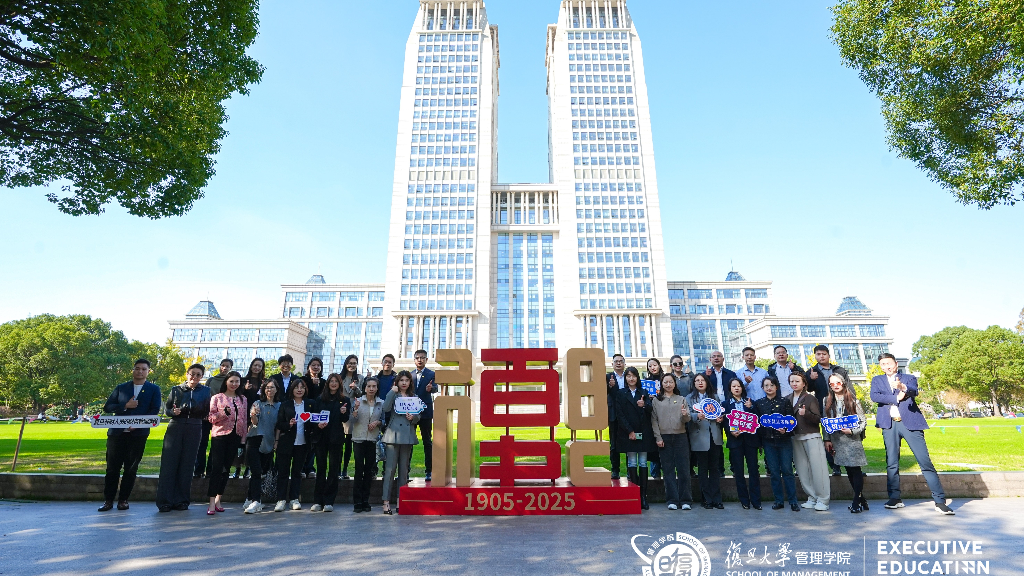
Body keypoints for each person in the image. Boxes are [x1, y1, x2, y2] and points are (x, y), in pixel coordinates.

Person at [870, 353, 953, 515]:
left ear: (895, 363)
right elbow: (875, 396)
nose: (886, 367)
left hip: (910, 423)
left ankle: (940, 501)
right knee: (892, 462)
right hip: (889, 424)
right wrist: (896, 398)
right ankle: (895, 498)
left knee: (924, 461)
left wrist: (903, 388)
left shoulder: (908, 378)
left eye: (889, 363)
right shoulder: (877, 380)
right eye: (882, 364)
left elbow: (913, 391)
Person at [98, 359, 162, 512]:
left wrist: (139, 424)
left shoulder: (154, 389)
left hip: (138, 435)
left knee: (131, 469)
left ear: (148, 372)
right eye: (137, 368)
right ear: (133, 370)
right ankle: (108, 501)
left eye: (143, 369)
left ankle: (123, 500)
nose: (140, 371)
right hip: (116, 434)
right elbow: (107, 407)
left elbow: (154, 410)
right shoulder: (121, 388)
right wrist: (125, 406)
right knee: (112, 469)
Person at [156, 363, 212, 512]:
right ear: (187, 374)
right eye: (192, 373)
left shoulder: (206, 391)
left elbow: (207, 410)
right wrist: (174, 412)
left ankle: (181, 500)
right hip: (176, 425)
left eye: (198, 374)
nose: (194, 377)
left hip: (195, 427)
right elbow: (167, 410)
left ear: (202, 377)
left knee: (187, 464)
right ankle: (164, 501)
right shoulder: (176, 389)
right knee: (169, 463)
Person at [806, 345, 856, 476]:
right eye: (818, 354)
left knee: (847, 435)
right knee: (828, 437)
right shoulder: (812, 371)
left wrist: (852, 402)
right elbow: (808, 388)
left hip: (842, 406)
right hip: (824, 408)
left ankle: (853, 466)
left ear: (828, 355)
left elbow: (849, 387)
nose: (821, 356)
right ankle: (835, 466)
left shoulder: (839, 370)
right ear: (815, 356)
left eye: (824, 354)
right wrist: (811, 379)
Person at [823, 373, 869, 514]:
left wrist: (853, 431)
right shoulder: (827, 400)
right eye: (832, 384)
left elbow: (863, 421)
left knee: (855, 470)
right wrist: (827, 439)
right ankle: (862, 500)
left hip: (852, 441)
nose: (835, 386)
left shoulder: (853, 399)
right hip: (837, 441)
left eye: (838, 383)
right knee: (848, 470)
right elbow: (825, 421)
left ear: (843, 383)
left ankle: (856, 501)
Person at [753, 376, 799, 511]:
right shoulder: (759, 403)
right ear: (762, 388)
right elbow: (757, 425)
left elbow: (792, 422)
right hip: (768, 442)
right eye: (766, 385)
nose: (769, 388)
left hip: (784, 441)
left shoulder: (784, 402)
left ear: (776, 387)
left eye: (772, 385)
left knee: (787, 470)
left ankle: (793, 501)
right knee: (773, 472)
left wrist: (786, 430)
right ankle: (778, 500)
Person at [206, 371, 248, 515]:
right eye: (232, 381)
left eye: (237, 381)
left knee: (226, 469)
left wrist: (243, 439)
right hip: (220, 435)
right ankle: (211, 502)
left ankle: (218, 499)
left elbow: (244, 420)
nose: (234, 384)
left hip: (235, 437)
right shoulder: (217, 398)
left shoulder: (242, 399)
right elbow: (211, 418)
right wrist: (224, 413)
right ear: (226, 382)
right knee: (216, 469)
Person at [309, 373, 352, 512]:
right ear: (327, 383)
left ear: (340, 384)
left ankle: (329, 501)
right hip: (321, 438)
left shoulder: (344, 400)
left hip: (336, 438)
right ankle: (317, 500)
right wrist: (318, 425)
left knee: (334, 469)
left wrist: (344, 412)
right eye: (331, 381)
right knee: (321, 469)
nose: (333, 383)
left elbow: (345, 419)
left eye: (336, 381)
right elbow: (314, 418)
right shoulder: (320, 399)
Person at [614, 366, 655, 510]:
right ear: (625, 378)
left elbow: (651, 410)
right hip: (628, 433)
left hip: (643, 432)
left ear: (638, 378)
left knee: (643, 463)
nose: (631, 379)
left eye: (634, 376)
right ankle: (635, 494)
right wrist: (629, 431)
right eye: (628, 376)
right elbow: (620, 414)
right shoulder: (620, 393)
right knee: (631, 462)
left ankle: (643, 496)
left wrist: (644, 405)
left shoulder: (643, 392)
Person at [788, 372, 830, 511]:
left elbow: (818, 418)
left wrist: (805, 414)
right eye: (792, 381)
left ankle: (823, 499)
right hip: (795, 437)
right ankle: (812, 497)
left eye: (797, 381)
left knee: (818, 469)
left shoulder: (810, 398)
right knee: (802, 470)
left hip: (811, 436)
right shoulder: (787, 398)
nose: (794, 384)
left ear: (804, 383)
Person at [381, 370, 421, 514]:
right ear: (397, 382)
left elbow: (419, 415)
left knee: (404, 471)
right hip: (393, 435)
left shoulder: (414, 397)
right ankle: (385, 502)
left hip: (408, 436)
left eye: (407, 380)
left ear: (410, 382)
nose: (404, 382)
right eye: (401, 380)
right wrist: (392, 391)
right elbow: (385, 408)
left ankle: (401, 500)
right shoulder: (394, 395)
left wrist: (413, 417)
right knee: (390, 470)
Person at [650, 372, 691, 510]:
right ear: (662, 384)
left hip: (681, 437)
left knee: (683, 469)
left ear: (675, 384)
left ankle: (685, 500)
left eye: (671, 382)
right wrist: (658, 437)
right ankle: (672, 500)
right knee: (668, 470)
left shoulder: (681, 399)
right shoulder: (656, 400)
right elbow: (654, 420)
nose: (668, 384)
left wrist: (685, 415)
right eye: (665, 382)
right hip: (664, 438)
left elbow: (687, 419)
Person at [723, 378, 762, 510]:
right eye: (733, 386)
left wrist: (751, 409)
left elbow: (757, 421)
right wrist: (730, 432)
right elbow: (724, 422)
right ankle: (744, 500)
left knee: (753, 470)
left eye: (739, 386)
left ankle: (756, 500)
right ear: (730, 389)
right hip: (735, 441)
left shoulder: (750, 402)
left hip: (750, 440)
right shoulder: (726, 404)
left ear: (742, 388)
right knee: (738, 471)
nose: (737, 388)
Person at [686, 373, 724, 509]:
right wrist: (697, 416)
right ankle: (706, 499)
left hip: (715, 437)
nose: (700, 382)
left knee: (714, 469)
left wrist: (720, 418)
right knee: (702, 469)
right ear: (694, 383)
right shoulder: (689, 398)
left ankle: (717, 498)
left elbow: (720, 412)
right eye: (697, 380)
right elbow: (687, 415)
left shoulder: (714, 397)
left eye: (703, 380)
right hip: (699, 437)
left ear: (707, 382)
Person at [274, 380, 312, 512]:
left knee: (297, 472)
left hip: (302, 443)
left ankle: (294, 499)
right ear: (292, 389)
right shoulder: (286, 405)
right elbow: (279, 424)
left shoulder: (310, 404)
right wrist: (288, 424)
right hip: (286, 443)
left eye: (302, 387)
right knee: (283, 472)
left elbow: (314, 421)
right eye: (296, 387)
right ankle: (281, 499)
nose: (299, 390)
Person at [244, 380, 280, 514]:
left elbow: (278, 427)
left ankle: (249, 498)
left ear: (277, 390)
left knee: (262, 472)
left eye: (272, 387)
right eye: (267, 388)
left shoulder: (280, 406)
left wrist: (276, 441)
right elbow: (254, 423)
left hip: (269, 442)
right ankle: (256, 501)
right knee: (256, 471)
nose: (269, 390)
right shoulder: (257, 403)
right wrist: (253, 415)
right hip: (255, 439)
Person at [350, 377, 384, 513]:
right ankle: (357, 501)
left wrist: (377, 423)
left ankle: (366, 500)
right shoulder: (357, 401)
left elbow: (384, 420)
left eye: (374, 386)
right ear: (364, 388)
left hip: (372, 439)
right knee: (359, 470)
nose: (371, 389)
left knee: (369, 471)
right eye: (369, 386)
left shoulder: (381, 403)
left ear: (377, 388)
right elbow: (352, 420)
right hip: (358, 439)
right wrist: (355, 410)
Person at [195, 359, 232, 478]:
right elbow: (205, 396)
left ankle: (210, 470)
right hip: (206, 416)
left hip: (221, 417)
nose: (224, 368)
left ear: (230, 368)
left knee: (216, 445)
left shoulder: (230, 381)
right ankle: (198, 470)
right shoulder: (211, 380)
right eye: (223, 366)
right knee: (202, 443)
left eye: (227, 366)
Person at [237, 357, 267, 479]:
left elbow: (264, 398)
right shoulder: (243, 380)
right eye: (255, 365)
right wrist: (244, 389)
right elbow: (237, 395)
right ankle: (237, 468)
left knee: (252, 443)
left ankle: (248, 468)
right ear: (251, 366)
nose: (257, 368)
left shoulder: (264, 382)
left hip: (256, 415)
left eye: (260, 366)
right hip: (243, 413)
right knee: (240, 442)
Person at [412, 349, 436, 481]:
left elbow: (436, 387)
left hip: (426, 413)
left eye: (422, 358)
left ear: (426, 360)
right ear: (414, 360)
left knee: (427, 441)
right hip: (411, 413)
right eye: (417, 357)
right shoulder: (410, 375)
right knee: (408, 441)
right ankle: (406, 470)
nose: (420, 360)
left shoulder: (431, 374)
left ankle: (429, 471)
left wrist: (431, 389)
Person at [300, 357, 326, 479]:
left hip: (317, 415)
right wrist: (311, 383)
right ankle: (302, 468)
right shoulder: (303, 380)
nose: (316, 367)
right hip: (304, 413)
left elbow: (323, 398)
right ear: (308, 367)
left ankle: (310, 468)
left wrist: (318, 385)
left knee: (314, 441)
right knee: (303, 440)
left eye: (318, 365)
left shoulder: (324, 382)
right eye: (313, 365)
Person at [339, 354, 363, 480]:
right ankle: (337, 469)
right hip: (339, 411)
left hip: (353, 413)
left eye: (354, 363)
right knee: (338, 443)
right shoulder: (339, 378)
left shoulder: (360, 378)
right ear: (346, 364)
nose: (352, 365)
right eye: (350, 363)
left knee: (349, 442)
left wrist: (356, 388)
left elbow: (362, 394)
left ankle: (344, 470)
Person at [643, 358, 665, 479]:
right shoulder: (645, 381)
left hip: (665, 414)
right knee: (653, 444)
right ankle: (655, 473)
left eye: (654, 365)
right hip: (651, 414)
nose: (652, 368)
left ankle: (665, 470)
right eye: (650, 366)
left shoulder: (665, 379)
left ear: (659, 365)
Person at [606, 353, 627, 479]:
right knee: (614, 444)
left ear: (624, 363)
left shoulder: (630, 375)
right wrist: (609, 386)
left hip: (628, 413)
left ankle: (631, 469)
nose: (618, 363)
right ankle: (615, 470)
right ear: (612, 364)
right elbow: (601, 392)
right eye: (616, 361)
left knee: (630, 442)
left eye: (621, 361)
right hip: (614, 414)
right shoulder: (608, 377)